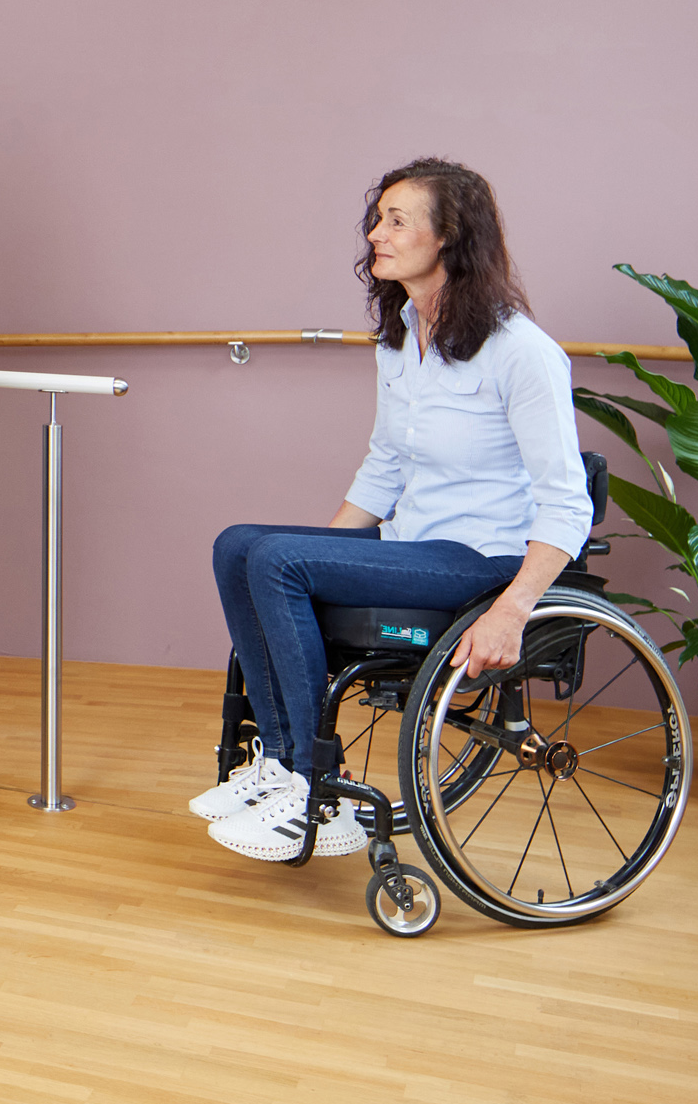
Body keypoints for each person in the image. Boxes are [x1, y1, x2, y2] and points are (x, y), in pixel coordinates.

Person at [197, 157, 593, 862]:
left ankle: (310, 779)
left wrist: (513, 608)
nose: (376, 234)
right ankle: (283, 762)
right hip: (413, 549)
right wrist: (322, 563)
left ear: (450, 236)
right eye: (376, 219)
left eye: (396, 220)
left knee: (279, 560)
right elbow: (384, 467)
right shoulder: (404, 338)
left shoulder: (522, 352)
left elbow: (567, 502)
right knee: (239, 546)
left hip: (481, 560)